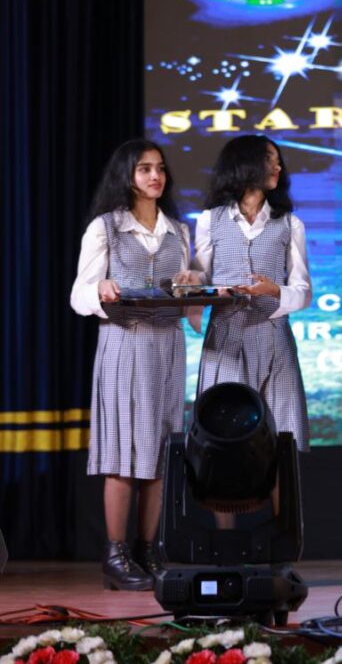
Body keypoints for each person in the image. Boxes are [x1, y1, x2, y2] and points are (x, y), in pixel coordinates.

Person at [71, 139, 195, 590]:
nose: (155, 176)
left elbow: (189, 293)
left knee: (160, 453)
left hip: (168, 345)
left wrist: (193, 281)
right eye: (144, 169)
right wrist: (100, 289)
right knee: (123, 451)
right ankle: (116, 554)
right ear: (127, 176)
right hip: (126, 342)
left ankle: (148, 551)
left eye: (159, 168)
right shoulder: (106, 227)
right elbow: (79, 294)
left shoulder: (178, 231)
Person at [192, 135, 312, 453]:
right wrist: (205, 287)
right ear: (244, 163)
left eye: (278, 160)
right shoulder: (209, 220)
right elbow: (199, 278)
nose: (277, 166)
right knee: (223, 435)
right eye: (269, 159)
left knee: (281, 438)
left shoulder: (290, 224)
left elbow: (303, 292)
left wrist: (274, 290)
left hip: (274, 336)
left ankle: (280, 490)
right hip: (225, 336)